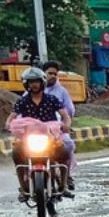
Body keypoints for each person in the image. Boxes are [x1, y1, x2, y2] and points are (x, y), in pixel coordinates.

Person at [6, 67, 73, 201]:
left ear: (42, 82)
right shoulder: (22, 101)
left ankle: (63, 185)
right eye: (31, 82)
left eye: (36, 81)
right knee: (16, 153)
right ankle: (24, 188)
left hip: (50, 137)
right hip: (29, 138)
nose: (34, 85)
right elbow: (12, 116)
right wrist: (8, 124)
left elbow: (65, 115)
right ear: (26, 84)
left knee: (65, 152)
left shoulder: (52, 99)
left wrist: (67, 125)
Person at [41, 61, 76, 189]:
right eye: (50, 73)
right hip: (35, 133)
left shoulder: (61, 92)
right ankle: (25, 183)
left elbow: (68, 112)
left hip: (56, 130)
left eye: (55, 74)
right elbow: (19, 113)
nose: (53, 76)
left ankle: (65, 177)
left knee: (68, 144)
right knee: (19, 149)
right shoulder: (31, 92)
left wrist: (66, 125)